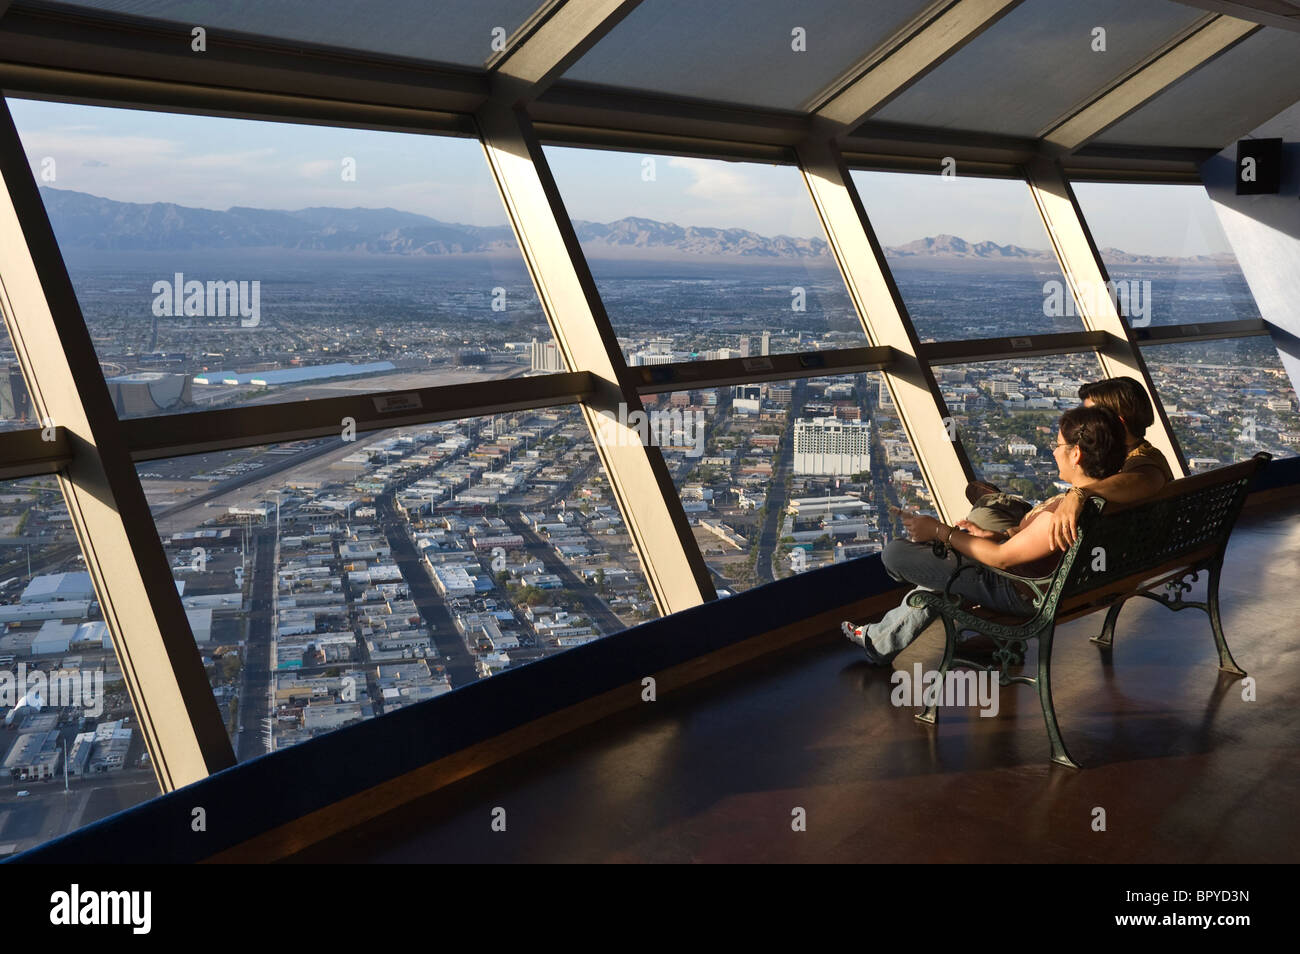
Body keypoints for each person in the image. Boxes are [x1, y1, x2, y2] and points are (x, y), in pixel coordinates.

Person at [843, 404, 1129, 665]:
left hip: (1017, 592)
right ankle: (878, 640)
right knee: (943, 570)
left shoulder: (1062, 516)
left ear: (1076, 454)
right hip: (1060, 588)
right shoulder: (1113, 500)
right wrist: (993, 535)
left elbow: (1001, 560)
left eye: (1057, 445)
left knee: (895, 554)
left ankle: (879, 638)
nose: (1054, 451)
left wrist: (938, 531)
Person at [952, 377, 1174, 548]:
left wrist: (1079, 494)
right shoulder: (1139, 456)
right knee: (991, 507)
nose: (1083, 424)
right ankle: (999, 501)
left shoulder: (1143, 466)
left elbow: (1143, 480)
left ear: (1117, 422)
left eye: (1090, 416)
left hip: (1042, 540)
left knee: (982, 514)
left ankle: (996, 502)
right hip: (1040, 531)